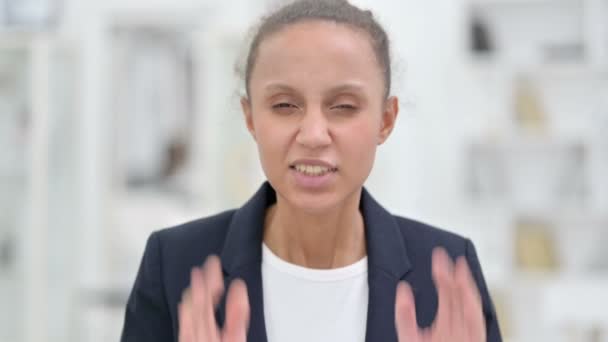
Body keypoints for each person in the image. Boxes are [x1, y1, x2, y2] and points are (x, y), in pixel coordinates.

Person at [120, 0, 503, 341]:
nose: (314, 135)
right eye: (285, 105)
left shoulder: (447, 273)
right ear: (250, 118)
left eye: (344, 106)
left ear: (386, 120)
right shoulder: (174, 264)